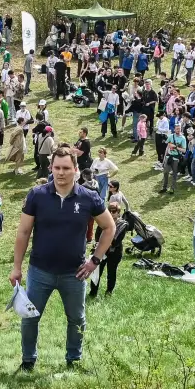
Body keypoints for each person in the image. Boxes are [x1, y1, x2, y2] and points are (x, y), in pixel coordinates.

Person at [8, 144, 115, 372]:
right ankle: (28, 361)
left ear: (75, 169)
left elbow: (109, 228)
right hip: (40, 271)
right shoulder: (37, 195)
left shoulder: (89, 197)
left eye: (66, 168)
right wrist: (16, 267)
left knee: (76, 319)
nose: (61, 172)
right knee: (29, 318)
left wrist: (94, 261)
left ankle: (73, 360)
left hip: (74, 273)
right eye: (57, 167)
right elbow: (23, 232)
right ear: (51, 168)